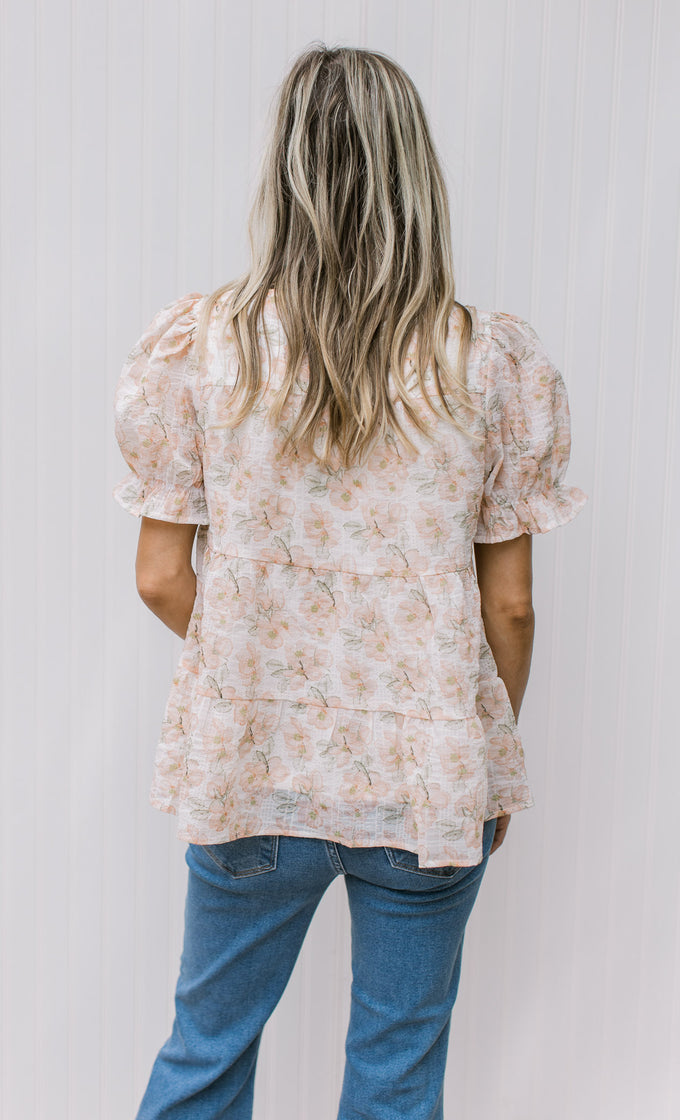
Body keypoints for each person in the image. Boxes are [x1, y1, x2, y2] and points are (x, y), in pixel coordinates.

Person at [112, 42, 588, 1120]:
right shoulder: (488, 363)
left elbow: (157, 577)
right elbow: (507, 604)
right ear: (414, 176)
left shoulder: (204, 348)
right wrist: (478, 742)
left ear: (284, 173)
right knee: (394, 1075)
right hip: (423, 780)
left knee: (205, 1051)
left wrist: (260, 670)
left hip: (255, 774)